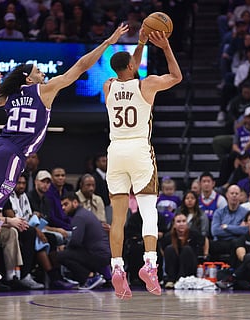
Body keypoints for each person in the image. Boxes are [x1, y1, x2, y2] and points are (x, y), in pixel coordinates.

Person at [0, 24, 130, 289]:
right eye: (38, 71)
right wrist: (108, 41)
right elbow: (82, 66)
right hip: (13, 154)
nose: (43, 73)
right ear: (29, 78)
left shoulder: (12, 95)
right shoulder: (44, 90)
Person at [104, 29, 182, 299]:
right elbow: (176, 77)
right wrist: (166, 46)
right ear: (131, 66)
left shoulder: (108, 86)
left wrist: (140, 44)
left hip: (115, 152)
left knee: (118, 219)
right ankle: (150, 264)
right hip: (139, 150)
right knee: (149, 211)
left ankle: (117, 268)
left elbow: (129, 68)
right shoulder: (146, 84)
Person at [57, 192, 109, 290]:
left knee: (61, 255)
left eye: (66, 204)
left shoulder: (79, 217)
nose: (63, 208)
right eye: (62, 205)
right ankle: (92, 276)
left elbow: (76, 241)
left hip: (97, 255)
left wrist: (65, 247)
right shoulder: (84, 213)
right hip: (101, 254)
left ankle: (90, 277)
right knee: (72, 252)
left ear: (75, 203)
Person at [161, 213, 209, 289]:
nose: (181, 224)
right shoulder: (168, 236)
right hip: (175, 265)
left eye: (184, 221)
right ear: (174, 224)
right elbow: (162, 249)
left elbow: (205, 240)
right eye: (178, 221)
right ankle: (171, 280)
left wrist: (205, 254)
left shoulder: (194, 233)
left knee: (187, 249)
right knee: (169, 248)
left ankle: (182, 279)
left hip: (190, 265)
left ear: (187, 223)